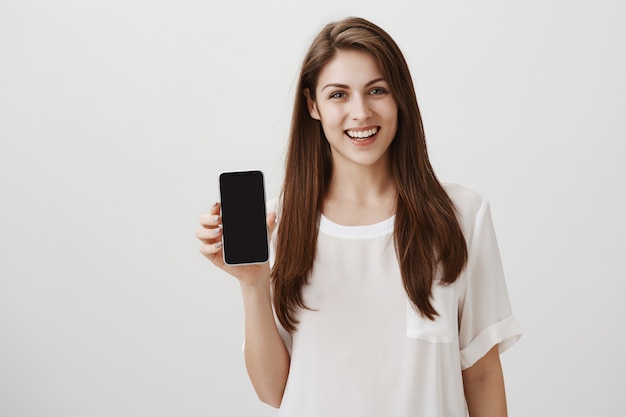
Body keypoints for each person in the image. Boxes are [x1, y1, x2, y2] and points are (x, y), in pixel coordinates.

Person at [196, 16, 522, 417]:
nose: (361, 112)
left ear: (399, 96)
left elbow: (483, 376)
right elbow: (272, 390)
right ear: (312, 105)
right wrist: (252, 282)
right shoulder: (279, 225)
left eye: (377, 90)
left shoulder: (462, 215)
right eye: (338, 95)